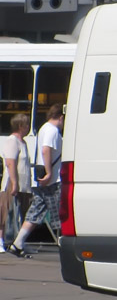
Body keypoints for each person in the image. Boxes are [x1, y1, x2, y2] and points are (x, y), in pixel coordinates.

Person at [7, 104, 63, 259]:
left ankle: (18, 242)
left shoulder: (44, 128)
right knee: (60, 212)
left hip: (44, 179)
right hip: (52, 179)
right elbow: (46, 150)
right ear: (61, 117)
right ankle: (65, 244)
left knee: (36, 211)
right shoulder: (52, 130)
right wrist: (49, 172)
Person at [1, 113, 31, 252]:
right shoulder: (12, 141)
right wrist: (14, 183)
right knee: (6, 212)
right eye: (26, 124)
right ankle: (2, 241)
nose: (28, 127)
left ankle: (16, 243)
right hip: (12, 184)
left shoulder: (22, 142)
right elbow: (10, 163)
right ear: (20, 126)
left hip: (23, 186)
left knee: (20, 214)